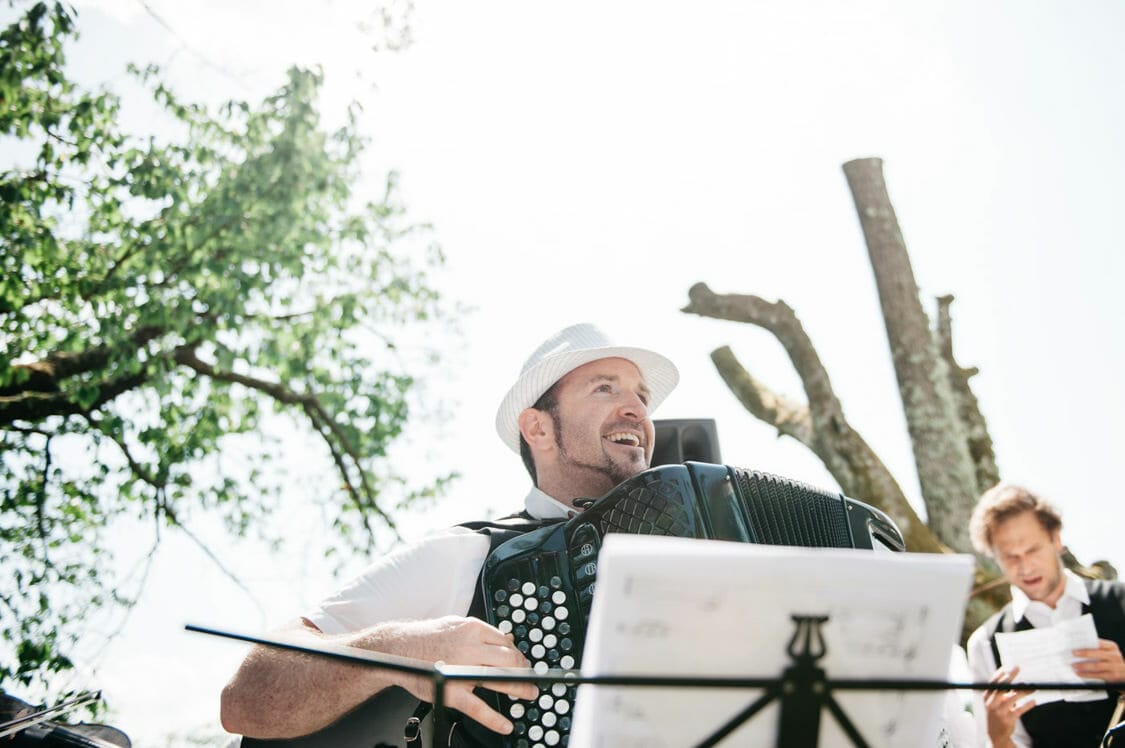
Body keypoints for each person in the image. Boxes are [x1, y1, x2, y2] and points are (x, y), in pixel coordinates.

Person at [219, 322, 679, 742]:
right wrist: (397, 649)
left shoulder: (683, 555)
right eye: (605, 389)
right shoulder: (467, 555)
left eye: (641, 397)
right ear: (538, 427)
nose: (635, 409)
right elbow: (246, 698)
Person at [965, 483, 1125, 747]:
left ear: (1056, 539)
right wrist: (998, 737)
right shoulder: (985, 644)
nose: (1025, 566)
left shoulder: (1121, 601)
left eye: (1032, 550)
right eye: (1010, 557)